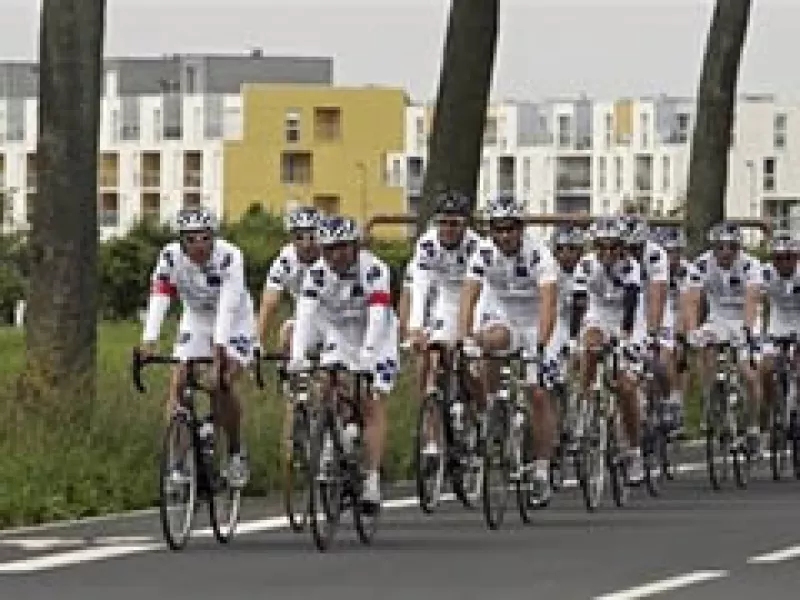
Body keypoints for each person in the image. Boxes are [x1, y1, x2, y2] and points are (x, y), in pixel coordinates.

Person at [140, 207, 257, 489]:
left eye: (205, 238)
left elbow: (229, 304)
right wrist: (149, 338)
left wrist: (219, 350)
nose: (199, 245)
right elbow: (161, 293)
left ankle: (235, 451)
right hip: (196, 318)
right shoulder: (170, 256)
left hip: (235, 320)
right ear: (182, 241)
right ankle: (178, 464)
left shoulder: (229, 255)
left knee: (221, 381)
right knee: (178, 384)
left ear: (213, 238)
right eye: (191, 239)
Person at [290, 216, 398, 510]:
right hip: (340, 332)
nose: (336, 256)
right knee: (327, 381)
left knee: (369, 402)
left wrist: (368, 355)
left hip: (376, 335)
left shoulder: (374, 269)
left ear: (355, 247)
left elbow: (377, 316)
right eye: (329, 249)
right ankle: (332, 442)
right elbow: (305, 316)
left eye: (343, 248)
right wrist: (298, 356)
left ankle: (372, 480)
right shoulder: (316, 273)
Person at [458, 194, 558, 505]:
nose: (504, 236)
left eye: (510, 229)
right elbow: (468, 297)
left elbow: (548, 303)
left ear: (520, 229)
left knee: (537, 394)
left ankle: (541, 469)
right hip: (501, 313)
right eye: (497, 229)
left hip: (536, 321)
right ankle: (491, 410)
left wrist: (540, 345)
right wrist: (463, 336)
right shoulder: (483, 253)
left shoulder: (539, 254)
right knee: (489, 343)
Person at [406, 190, 481, 458]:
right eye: (443, 223)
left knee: (469, 362)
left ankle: (480, 410)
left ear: (465, 225)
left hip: (477, 299)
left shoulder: (477, 247)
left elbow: (478, 291)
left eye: (455, 224)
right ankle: (433, 435)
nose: (448, 229)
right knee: (434, 354)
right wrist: (415, 327)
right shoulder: (426, 245)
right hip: (446, 301)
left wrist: (468, 332)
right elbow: (421, 286)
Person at [570, 216, 645, 483]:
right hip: (598, 315)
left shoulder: (631, 267)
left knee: (626, 387)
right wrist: (572, 338)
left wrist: (625, 337)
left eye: (614, 247)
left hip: (629, 321)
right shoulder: (586, 264)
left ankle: (634, 451)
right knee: (589, 347)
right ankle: (585, 405)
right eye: (602, 247)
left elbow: (632, 303)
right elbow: (579, 303)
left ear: (623, 247)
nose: (608, 253)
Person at [684, 222, 763, 456]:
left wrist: (747, 332)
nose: (726, 253)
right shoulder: (700, 263)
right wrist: (692, 330)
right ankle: (712, 398)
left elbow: (752, 300)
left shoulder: (751, 264)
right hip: (717, 318)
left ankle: (752, 428)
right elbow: (691, 301)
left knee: (749, 375)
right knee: (705, 347)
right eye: (720, 247)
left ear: (739, 248)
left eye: (731, 248)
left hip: (744, 320)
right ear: (713, 248)